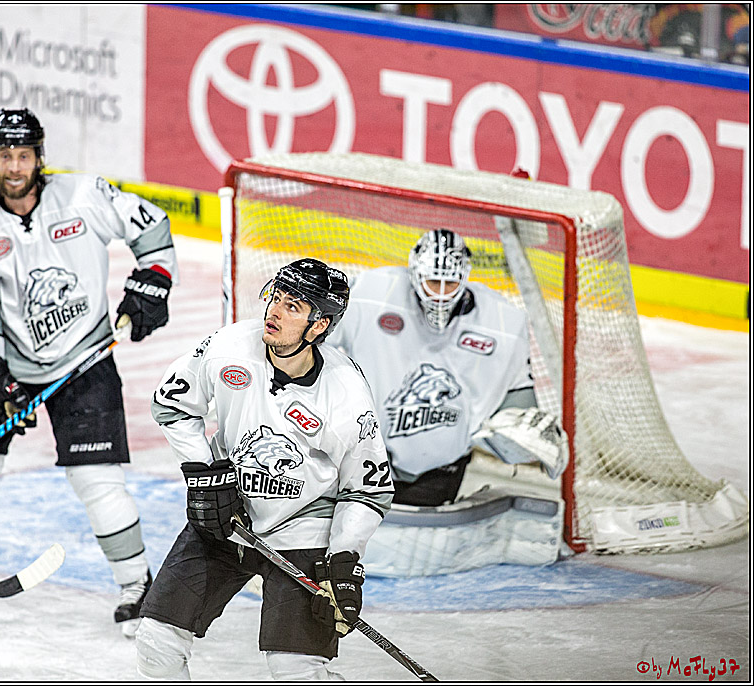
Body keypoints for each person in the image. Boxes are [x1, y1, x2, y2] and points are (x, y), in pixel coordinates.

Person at [0, 108, 178, 637]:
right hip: (11, 361)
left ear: (38, 156)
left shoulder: (84, 196)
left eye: (23, 155)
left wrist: (153, 281)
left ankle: (136, 586)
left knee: (96, 480)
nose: (13, 166)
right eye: (4, 155)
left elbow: (153, 226)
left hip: (87, 358)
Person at [136, 259, 393, 680]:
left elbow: (367, 488)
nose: (274, 311)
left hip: (302, 528)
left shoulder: (345, 390)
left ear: (319, 326)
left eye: (293, 306)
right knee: (156, 639)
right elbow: (172, 404)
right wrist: (204, 473)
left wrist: (346, 557)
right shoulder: (230, 346)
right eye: (276, 296)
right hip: (228, 516)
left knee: (296, 668)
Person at [327, 229, 568, 577]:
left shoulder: (503, 322)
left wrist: (522, 431)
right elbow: (318, 351)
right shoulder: (370, 294)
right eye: (432, 282)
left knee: (408, 562)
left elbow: (518, 396)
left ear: (465, 278)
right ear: (414, 274)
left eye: (449, 284)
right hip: (368, 455)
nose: (440, 295)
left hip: (440, 468)